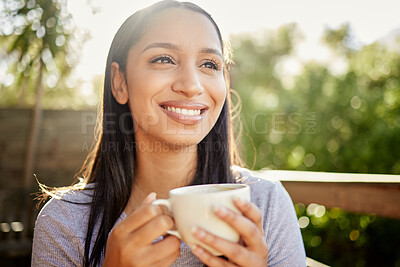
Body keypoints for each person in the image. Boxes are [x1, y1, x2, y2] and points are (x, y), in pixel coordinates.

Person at [31, 1, 306, 266]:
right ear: (119, 82)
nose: (191, 85)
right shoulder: (64, 223)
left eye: (209, 64)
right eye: (164, 59)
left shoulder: (266, 205)